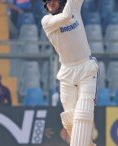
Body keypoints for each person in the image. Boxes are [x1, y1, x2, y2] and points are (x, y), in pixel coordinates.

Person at [41, 0, 98, 146]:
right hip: (67, 72)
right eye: (47, 3)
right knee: (70, 120)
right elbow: (66, 16)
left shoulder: (73, 8)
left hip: (86, 67)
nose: (50, 4)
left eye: (52, 0)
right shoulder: (47, 21)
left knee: (82, 115)